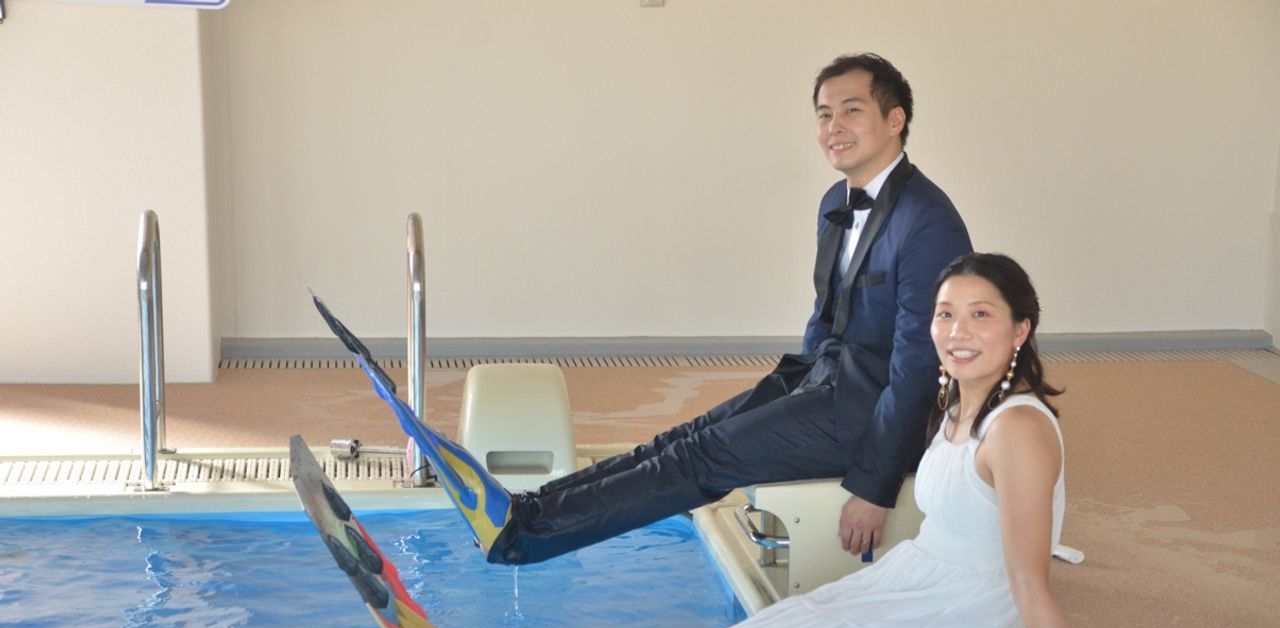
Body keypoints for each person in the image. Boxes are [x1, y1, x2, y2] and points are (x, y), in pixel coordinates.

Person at [299, 253, 1087, 628]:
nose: (956, 330)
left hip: (952, 622)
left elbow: (1028, 584)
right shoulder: (961, 404)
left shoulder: (1018, 429)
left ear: (1021, 329)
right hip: (911, 584)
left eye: (980, 316)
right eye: (945, 314)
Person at [315, 52, 973, 566]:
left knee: (702, 458)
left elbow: (918, 368)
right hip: (824, 383)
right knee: (679, 439)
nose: (833, 128)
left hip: (868, 415)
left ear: (896, 120)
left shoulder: (927, 222)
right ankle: (526, 506)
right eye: (824, 114)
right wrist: (791, 391)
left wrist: (875, 485)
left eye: (851, 111)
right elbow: (824, 320)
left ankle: (527, 537)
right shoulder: (837, 201)